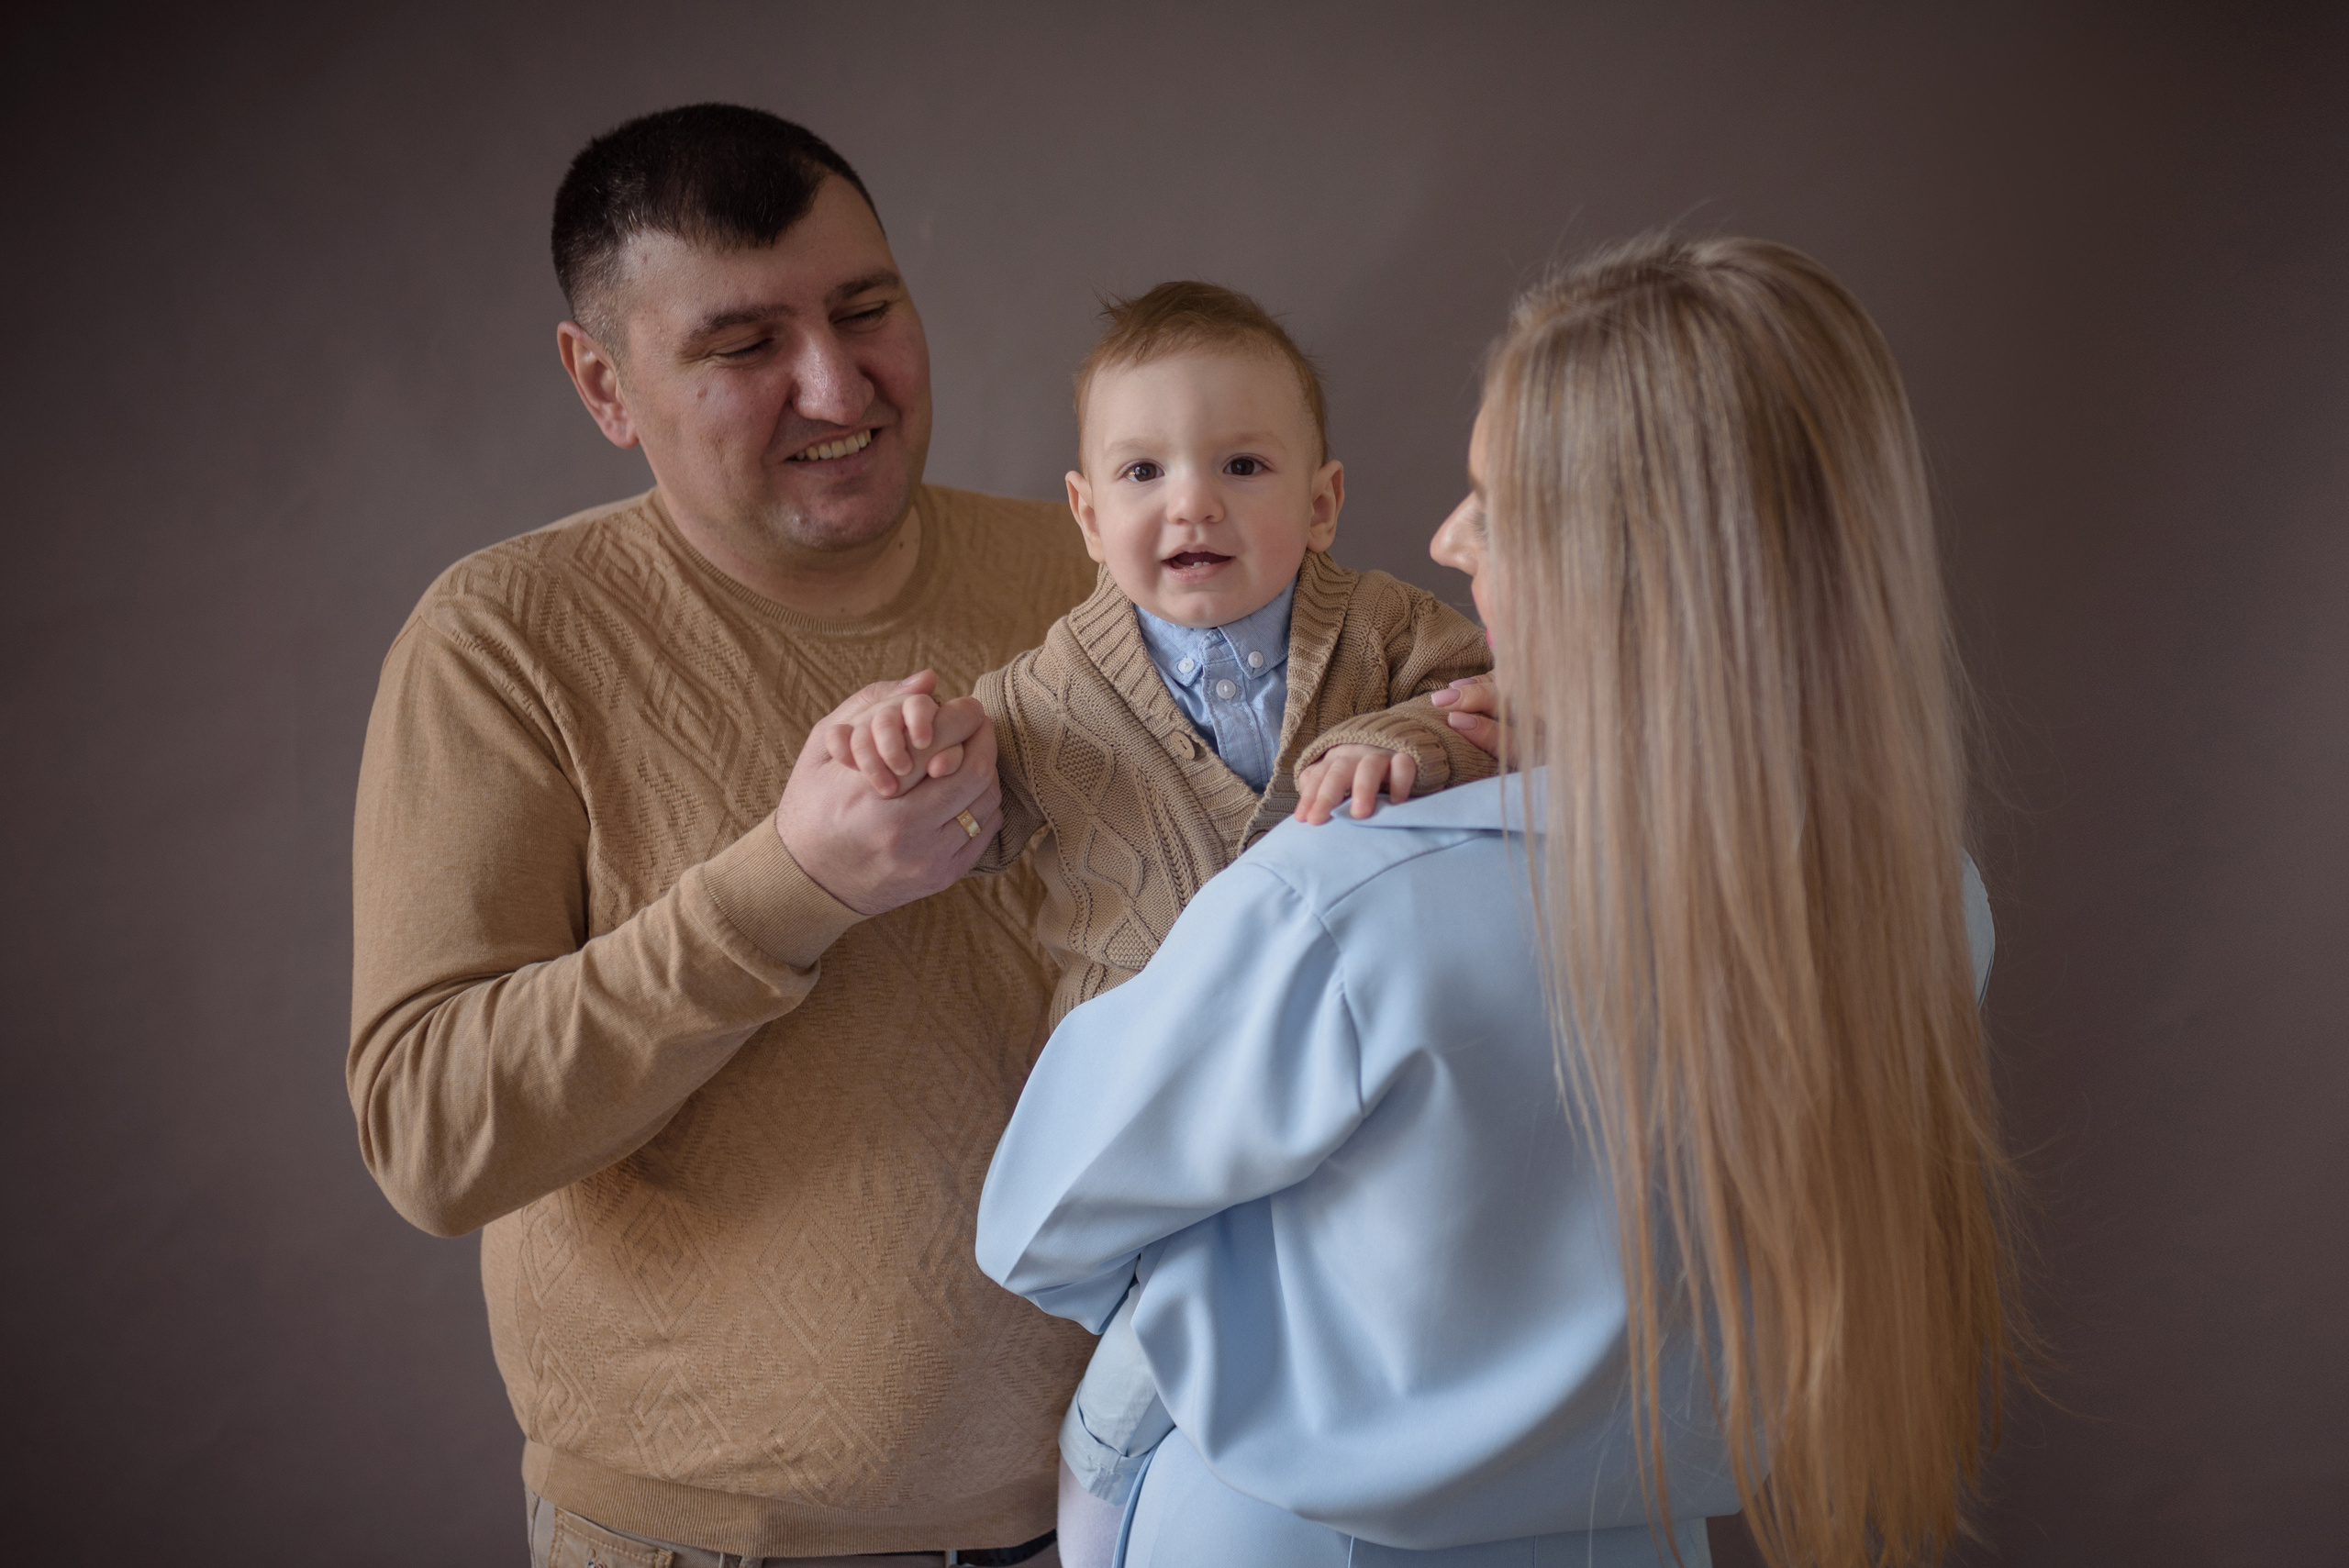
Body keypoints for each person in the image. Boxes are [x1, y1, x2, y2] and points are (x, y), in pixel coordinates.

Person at [974, 235, 2021, 1567]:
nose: (1447, 538)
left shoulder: (1339, 908)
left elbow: (1041, 1215)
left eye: (1491, 499)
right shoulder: (1930, 905)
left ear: (1617, 553)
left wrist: (1266, 1247)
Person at [350, 104, 1099, 1566]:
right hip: (704, 1547)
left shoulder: (1092, 569)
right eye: (745, 346)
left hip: (1122, 1510)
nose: (838, 382)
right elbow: (431, 1133)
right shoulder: (501, 643)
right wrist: (792, 887)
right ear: (604, 384)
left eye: (867, 308)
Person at [824, 281, 1496, 1563]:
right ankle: (1104, 1491)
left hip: (1352, 1089)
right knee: (1170, 1345)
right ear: (1087, 513)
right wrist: (898, 746)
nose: (1191, 502)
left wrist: (1405, 739)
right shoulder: (1041, 700)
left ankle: (1375, 1486)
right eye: (1143, 471)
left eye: (1242, 464)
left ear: (1322, 501)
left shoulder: (1388, 627)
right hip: (1159, 1108)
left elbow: (1497, 702)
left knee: (1360, 1309)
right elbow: (952, 810)